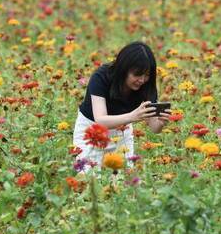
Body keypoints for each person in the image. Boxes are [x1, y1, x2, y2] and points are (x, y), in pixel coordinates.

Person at [72, 41, 170, 172]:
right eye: (137, 75)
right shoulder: (101, 77)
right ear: (124, 69)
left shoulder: (146, 87)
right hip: (91, 130)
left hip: (122, 132)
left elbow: (154, 128)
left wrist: (161, 123)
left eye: (147, 75)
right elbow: (100, 120)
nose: (142, 80)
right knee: (87, 176)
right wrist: (133, 116)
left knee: (122, 180)